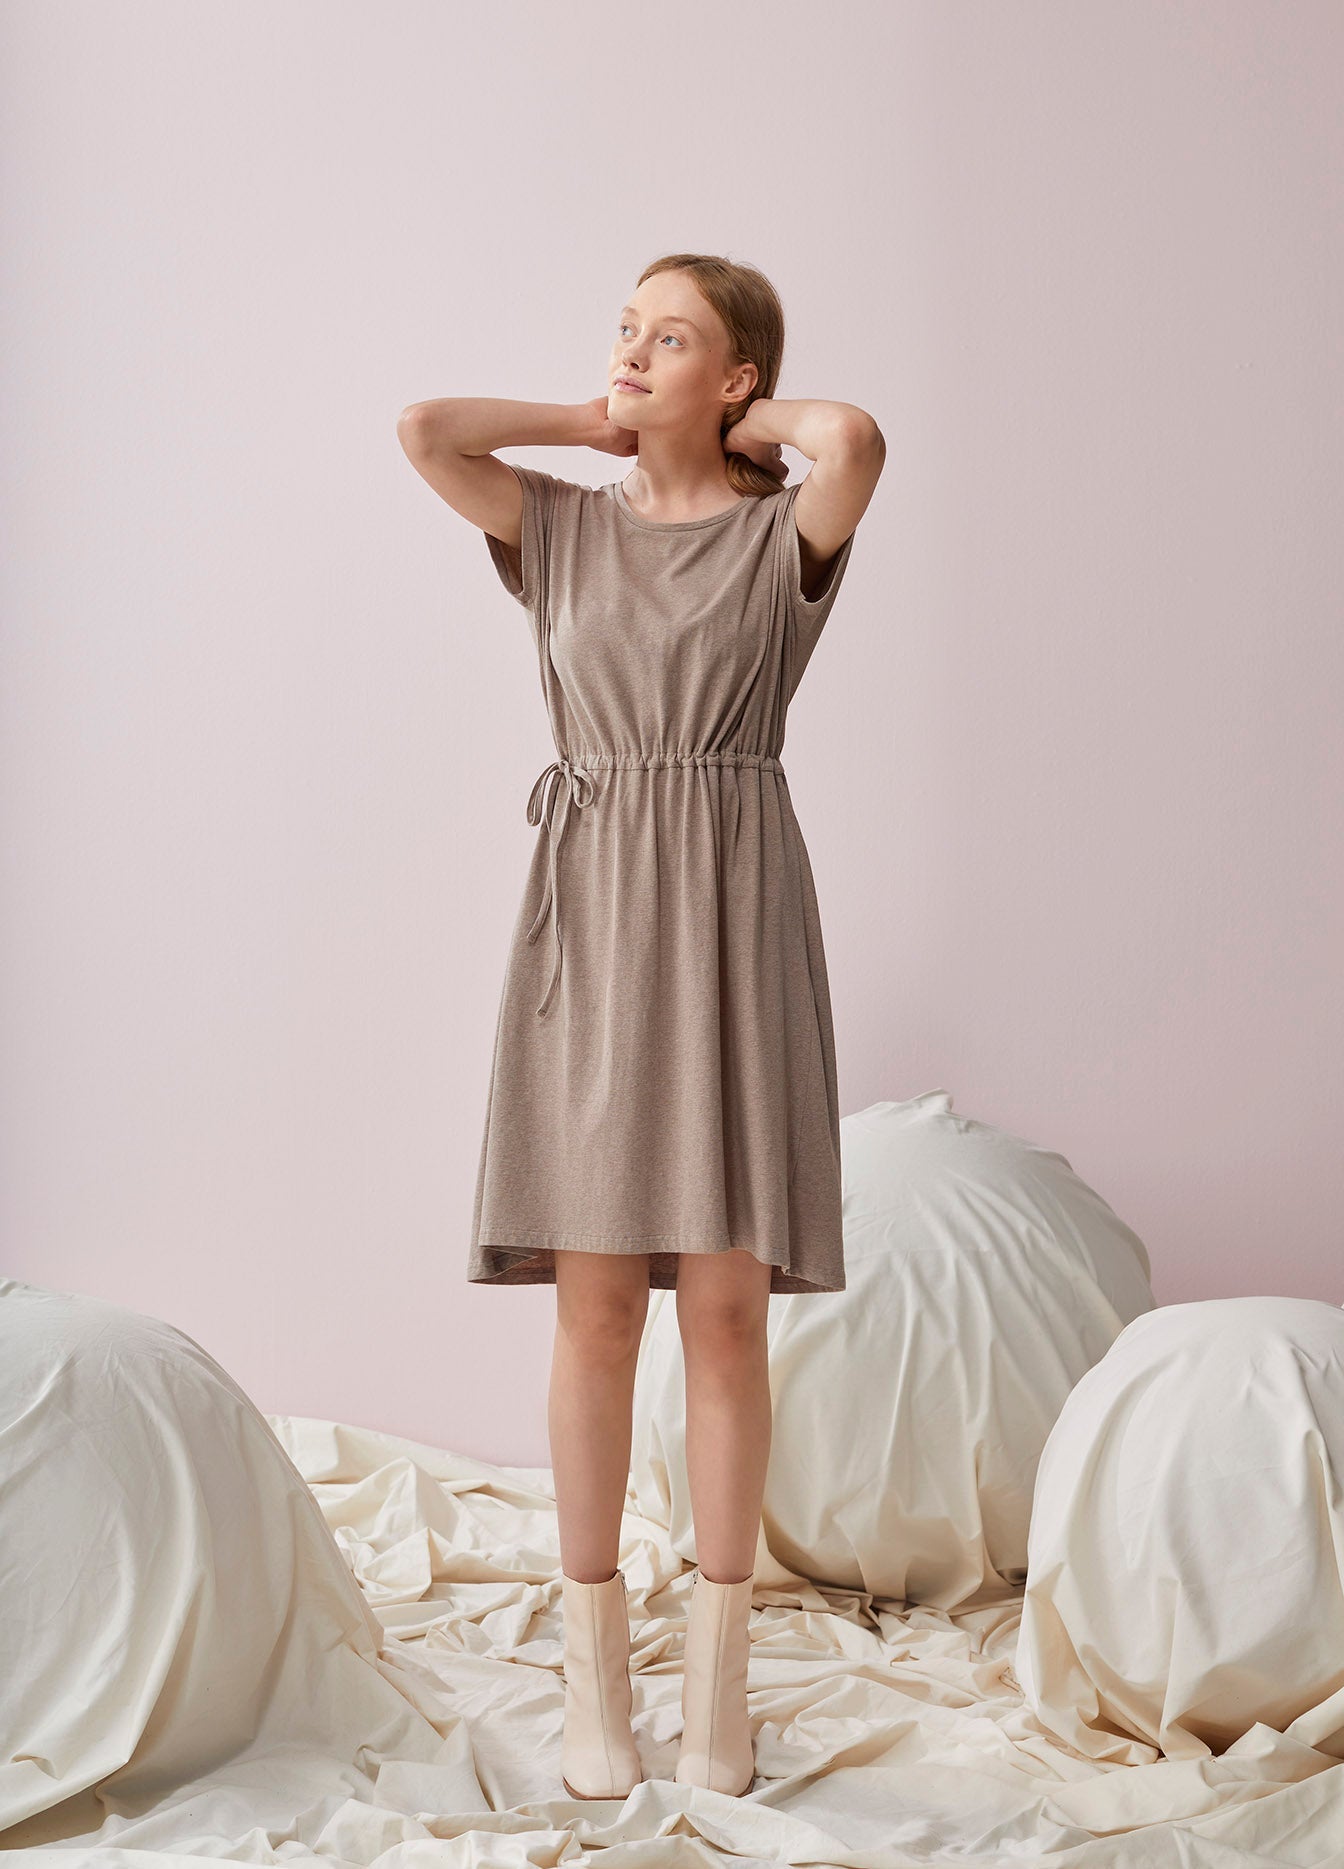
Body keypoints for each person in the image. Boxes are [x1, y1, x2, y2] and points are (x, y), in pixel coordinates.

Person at [397, 253, 884, 1800]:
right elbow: (425, 429)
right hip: (596, 920)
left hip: (736, 922)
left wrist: (741, 432)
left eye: (669, 338)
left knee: (727, 1312)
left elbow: (851, 439)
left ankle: (723, 1682)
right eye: (624, 328)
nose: (630, 350)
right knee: (597, 1308)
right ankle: (595, 1670)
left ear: (736, 378)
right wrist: (596, 419)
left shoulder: (779, 538)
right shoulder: (561, 527)